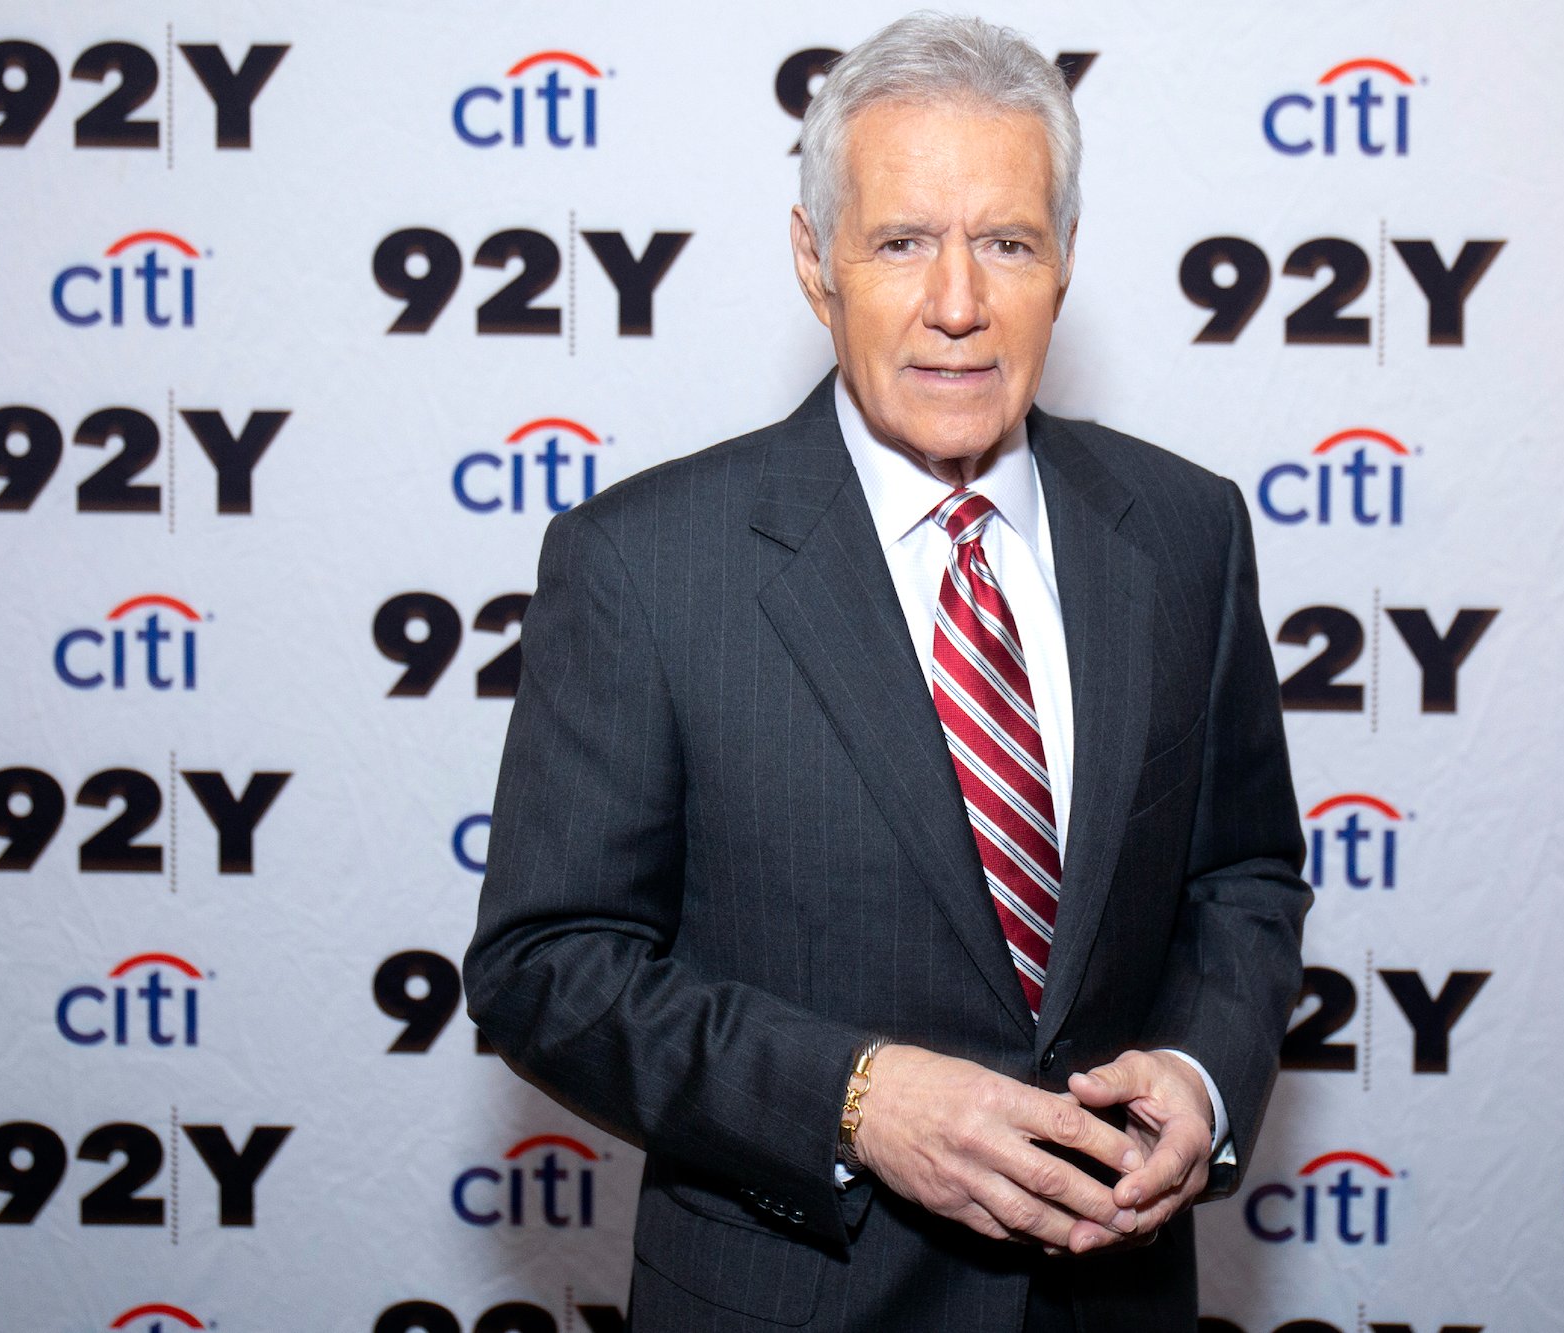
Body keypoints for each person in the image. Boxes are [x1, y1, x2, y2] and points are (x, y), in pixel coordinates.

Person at [464, 14, 1309, 1331]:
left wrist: (1202, 1075)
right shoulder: (646, 562)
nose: (958, 303)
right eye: (903, 241)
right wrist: (853, 1097)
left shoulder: (1187, 533)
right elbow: (546, 966)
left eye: (1009, 242)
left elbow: (1241, 875)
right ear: (817, 262)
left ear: (1067, 261)